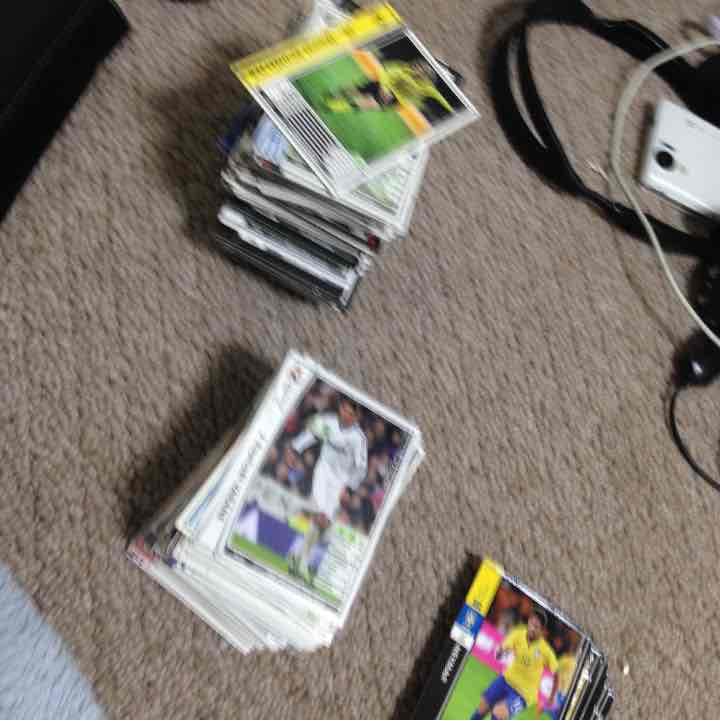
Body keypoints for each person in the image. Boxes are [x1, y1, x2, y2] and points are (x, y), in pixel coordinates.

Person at [286, 396, 367, 583]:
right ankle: (302, 563)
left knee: (325, 522)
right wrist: (295, 449)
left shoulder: (358, 439)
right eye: (344, 410)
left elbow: (361, 468)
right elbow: (311, 435)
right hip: (323, 472)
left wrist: (349, 488)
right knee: (321, 516)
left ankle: (296, 556)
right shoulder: (328, 422)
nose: (346, 415)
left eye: (351, 413)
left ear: (356, 417)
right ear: (341, 408)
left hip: (340, 481)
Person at [471, 609, 559, 720]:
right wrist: (501, 651)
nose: (532, 628)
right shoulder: (518, 634)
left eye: (536, 627)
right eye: (531, 624)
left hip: (523, 695)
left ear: (542, 631)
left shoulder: (546, 650)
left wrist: (551, 697)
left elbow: (556, 674)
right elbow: (503, 648)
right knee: (481, 709)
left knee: (498, 714)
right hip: (506, 680)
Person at [324, 58, 453, 115]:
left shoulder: (427, 87)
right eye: (417, 65)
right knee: (355, 91)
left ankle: (334, 107)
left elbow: (440, 98)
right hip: (382, 85)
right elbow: (385, 73)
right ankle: (336, 94)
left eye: (419, 68)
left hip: (393, 99)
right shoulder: (403, 69)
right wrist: (384, 88)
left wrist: (452, 110)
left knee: (369, 104)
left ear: (425, 75)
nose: (415, 67)